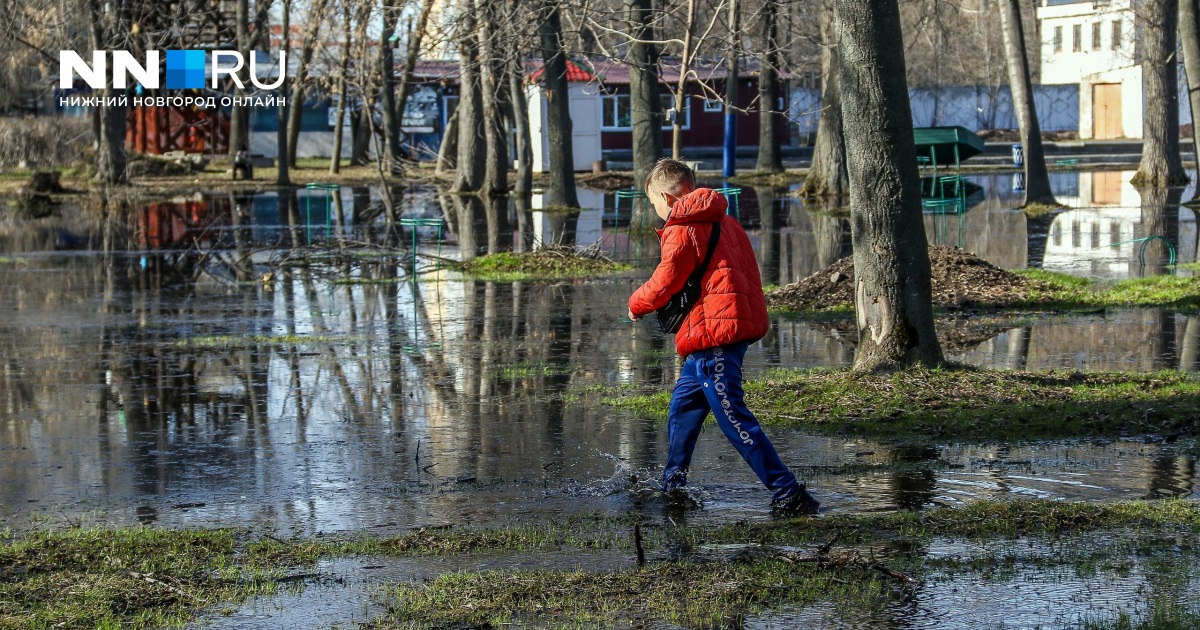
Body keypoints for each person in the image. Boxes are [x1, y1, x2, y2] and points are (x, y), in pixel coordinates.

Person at [626, 159, 819, 516]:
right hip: (719, 330)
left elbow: (666, 280)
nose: (655, 212)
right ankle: (673, 485)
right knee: (683, 409)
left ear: (668, 199)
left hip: (714, 335)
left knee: (731, 415)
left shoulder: (684, 227)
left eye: (653, 203)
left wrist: (637, 303)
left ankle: (789, 493)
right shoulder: (726, 221)